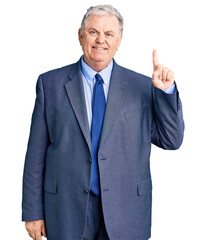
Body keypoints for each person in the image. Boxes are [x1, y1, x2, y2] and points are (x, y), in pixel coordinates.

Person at [22, 4, 184, 240]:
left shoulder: (141, 87)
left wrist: (165, 92)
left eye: (109, 34)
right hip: (66, 210)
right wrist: (33, 212)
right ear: (80, 35)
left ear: (119, 41)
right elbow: (35, 155)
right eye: (93, 32)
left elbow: (172, 140)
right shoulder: (50, 85)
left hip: (126, 210)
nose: (101, 40)